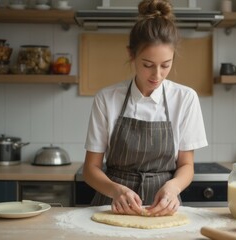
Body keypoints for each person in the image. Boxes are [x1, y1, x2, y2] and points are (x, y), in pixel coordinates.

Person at [83, 0, 207, 217]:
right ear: (131, 55)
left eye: (166, 65)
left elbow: (186, 165)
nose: (157, 75)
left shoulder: (186, 99)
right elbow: (90, 169)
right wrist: (115, 190)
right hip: (114, 207)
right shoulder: (107, 98)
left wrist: (173, 187)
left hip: (165, 208)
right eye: (148, 65)